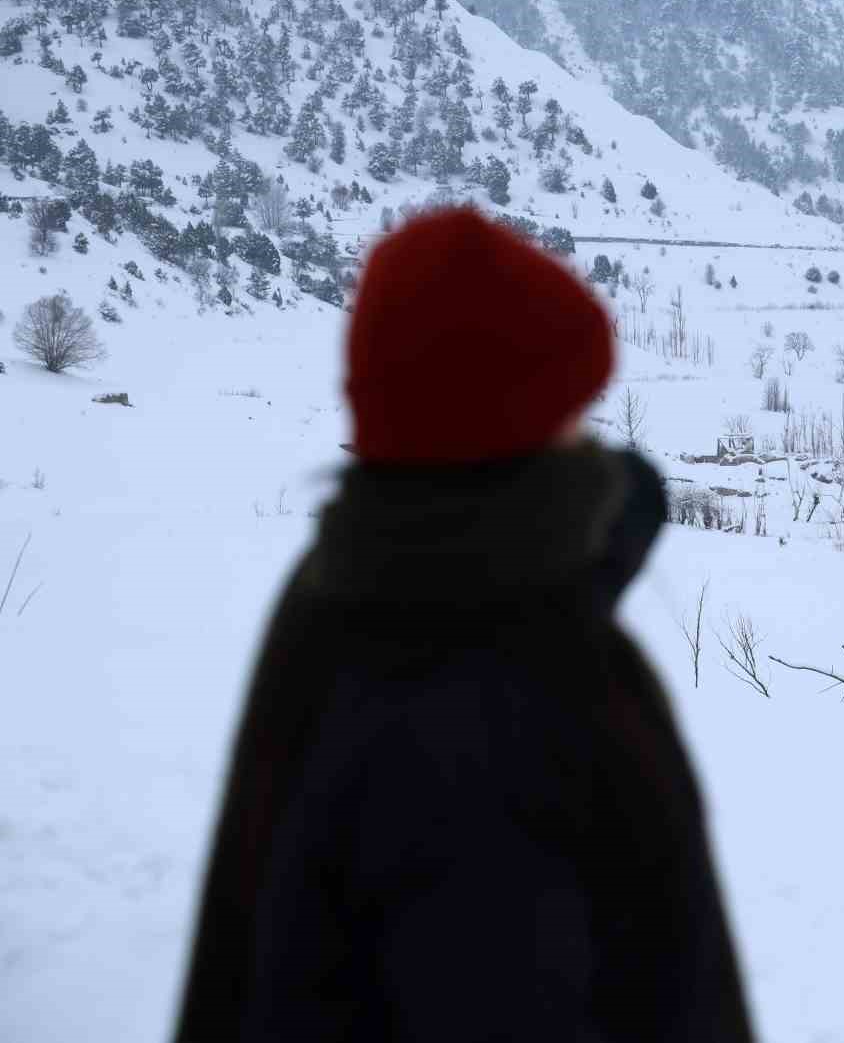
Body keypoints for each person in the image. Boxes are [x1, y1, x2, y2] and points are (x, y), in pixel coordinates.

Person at [174, 208, 754, 1042]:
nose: (585, 433)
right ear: (517, 438)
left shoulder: (351, 581)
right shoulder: (502, 718)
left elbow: (545, 541)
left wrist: (624, 498)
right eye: (569, 407)